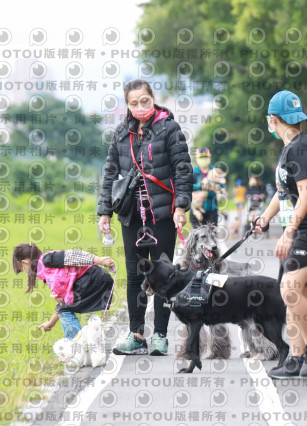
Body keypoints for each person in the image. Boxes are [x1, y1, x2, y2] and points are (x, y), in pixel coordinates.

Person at [97, 78, 193, 356]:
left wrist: (181, 207)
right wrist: (104, 211)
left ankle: (161, 335)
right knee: (135, 275)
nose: (140, 107)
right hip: (131, 217)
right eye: (134, 103)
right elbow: (110, 174)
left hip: (162, 214)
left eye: (145, 101)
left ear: (153, 98)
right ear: (126, 105)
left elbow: (183, 171)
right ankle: (136, 334)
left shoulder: (170, 129)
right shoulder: (120, 134)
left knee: (163, 274)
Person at [253, 90, 307, 379]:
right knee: (292, 293)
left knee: (290, 288)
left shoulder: (300, 149)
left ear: (273, 120)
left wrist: (287, 232)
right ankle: (296, 358)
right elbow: (283, 193)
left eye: (269, 120)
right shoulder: (291, 148)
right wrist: (264, 218)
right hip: (303, 229)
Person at [12, 243, 115, 339]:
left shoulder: (47, 259)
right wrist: (51, 323)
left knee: (65, 310)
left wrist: (100, 260)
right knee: (65, 310)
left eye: (22, 269)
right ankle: (72, 345)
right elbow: (64, 304)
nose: (25, 272)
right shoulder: (46, 273)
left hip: (93, 279)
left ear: (25, 263)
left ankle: (79, 345)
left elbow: (74, 255)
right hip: (88, 282)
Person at [191, 147, 223, 227]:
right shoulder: (193, 173)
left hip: (212, 209)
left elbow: (221, 187)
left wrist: (205, 194)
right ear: (197, 158)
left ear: (209, 157)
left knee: (212, 235)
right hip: (197, 209)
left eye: (205, 157)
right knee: (198, 235)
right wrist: (202, 187)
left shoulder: (215, 171)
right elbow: (189, 187)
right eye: (201, 157)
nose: (203, 159)